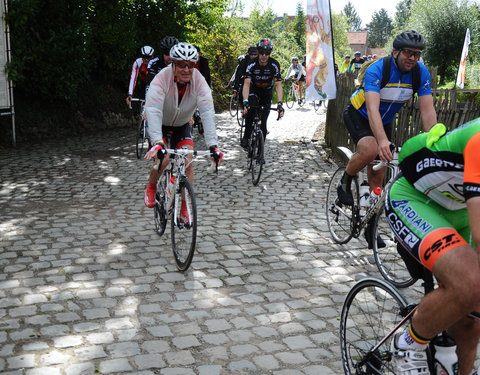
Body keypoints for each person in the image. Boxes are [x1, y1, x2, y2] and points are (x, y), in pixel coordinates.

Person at [385, 120, 480, 375]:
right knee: (470, 282)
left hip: (460, 213)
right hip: (415, 199)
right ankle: (408, 343)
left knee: (471, 322)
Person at [337, 30, 437, 246]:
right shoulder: (378, 69)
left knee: (379, 173)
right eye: (408, 53)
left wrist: (436, 141)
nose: (412, 58)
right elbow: (372, 110)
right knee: (371, 149)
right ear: (395, 52)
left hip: (385, 119)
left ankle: (371, 227)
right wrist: (382, 140)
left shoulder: (421, 73)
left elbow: (428, 113)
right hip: (360, 113)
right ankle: (345, 180)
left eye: (417, 54)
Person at [143, 42, 223, 217]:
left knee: (187, 163)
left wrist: (213, 146)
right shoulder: (161, 78)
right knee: (163, 160)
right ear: (173, 64)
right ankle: (152, 185)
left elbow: (208, 112)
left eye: (191, 65)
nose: (186, 70)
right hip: (161, 125)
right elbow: (154, 110)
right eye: (181, 65)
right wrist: (157, 141)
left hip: (183, 124)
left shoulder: (199, 81)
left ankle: (185, 208)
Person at [241, 38, 284, 150]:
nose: (264, 56)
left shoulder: (274, 65)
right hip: (253, 90)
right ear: (258, 52)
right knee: (251, 110)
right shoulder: (251, 64)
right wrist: (245, 101)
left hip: (266, 92)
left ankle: (261, 151)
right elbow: (246, 84)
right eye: (261, 53)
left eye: (267, 53)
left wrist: (280, 104)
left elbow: (278, 85)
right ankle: (246, 137)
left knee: (264, 122)